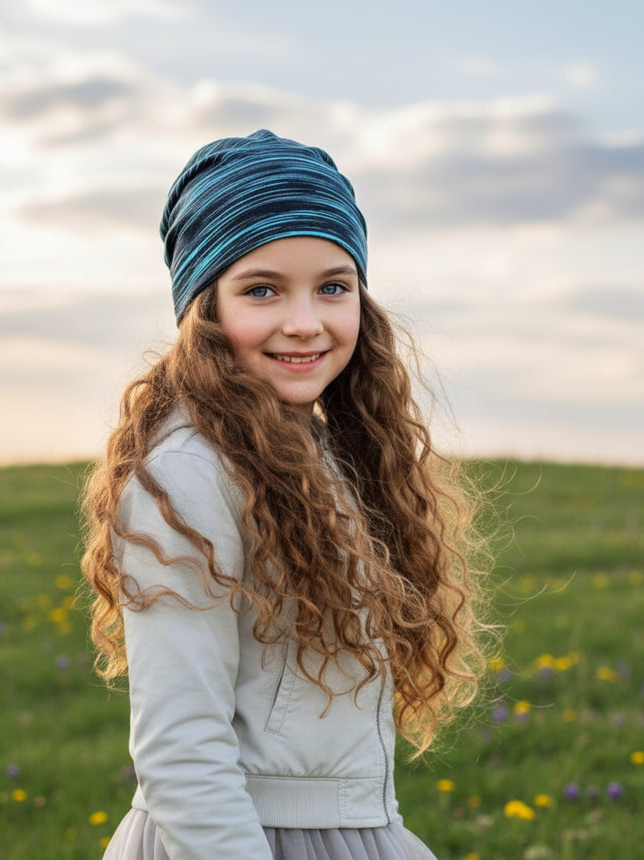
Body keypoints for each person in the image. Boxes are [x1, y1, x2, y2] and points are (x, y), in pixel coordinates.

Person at [81, 129, 491, 860]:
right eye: (263, 289)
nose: (304, 321)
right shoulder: (190, 473)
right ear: (203, 306)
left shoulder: (320, 450)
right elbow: (182, 755)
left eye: (333, 286)